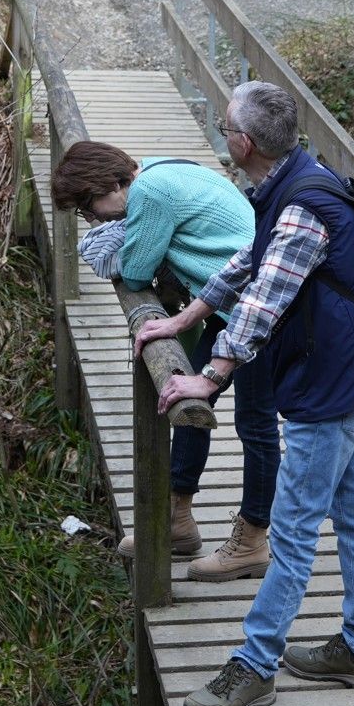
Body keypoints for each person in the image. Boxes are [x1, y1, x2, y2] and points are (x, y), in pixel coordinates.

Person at [135, 81, 354, 706]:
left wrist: (210, 376)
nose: (223, 135)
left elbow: (264, 299)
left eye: (224, 127)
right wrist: (185, 316)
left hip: (325, 387)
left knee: (296, 531)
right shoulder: (295, 178)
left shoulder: (301, 205)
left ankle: (254, 664)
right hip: (348, 370)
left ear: (242, 143)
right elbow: (248, 263)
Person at [50, 141, 279, 582]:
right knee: (188, 394)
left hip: (261, 311)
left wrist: (127, 238)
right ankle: (177, 518)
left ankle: (252, 540)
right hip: (228, 306)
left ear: (112, 183)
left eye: (89, 206)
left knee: (256, 424)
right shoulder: (157, 170)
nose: (94, 218)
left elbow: (134, 270)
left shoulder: (151, 192)